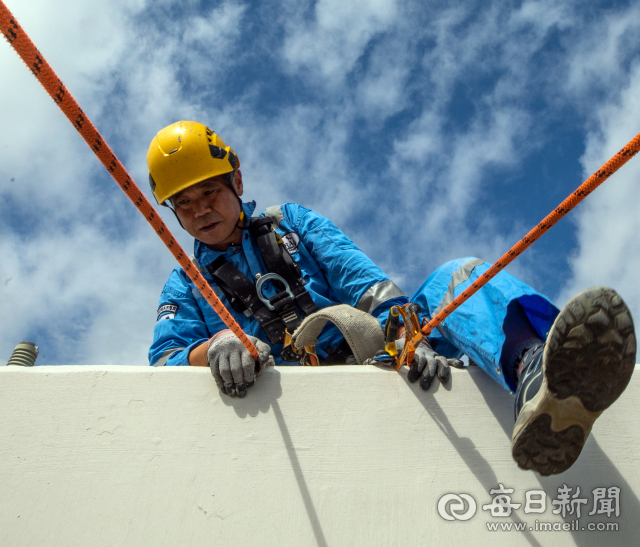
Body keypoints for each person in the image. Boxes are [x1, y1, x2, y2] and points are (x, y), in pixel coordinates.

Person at [147, 120, 636, 476]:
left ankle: (538, 379)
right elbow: (165, 357)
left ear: (236, 181)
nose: (199, 211)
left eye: (209, 192)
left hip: (383, 358)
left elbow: (366, 283)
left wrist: (409, 336)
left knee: (458, 274)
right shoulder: (186, 283)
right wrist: (213, 349)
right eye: (184, 204)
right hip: (294, 401)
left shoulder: (290, 223)